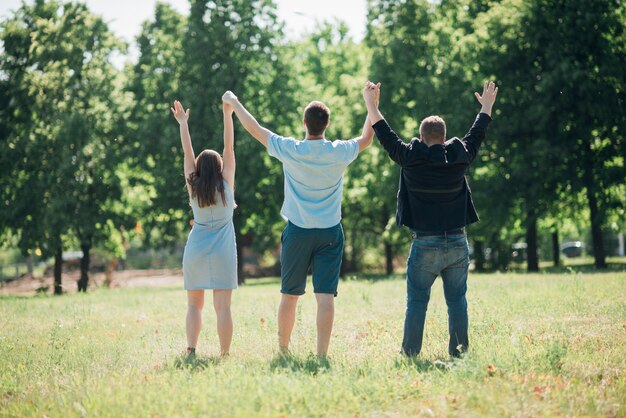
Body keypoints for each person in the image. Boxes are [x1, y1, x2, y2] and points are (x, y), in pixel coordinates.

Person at [221, 86, 377, 357]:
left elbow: (255, 129)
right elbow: (366, 139)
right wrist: (372, 105)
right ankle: (321, 354)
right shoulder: (339, 152)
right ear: (327, 124)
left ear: (304, 123)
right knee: (325, 297)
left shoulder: (290, 149)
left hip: (298, 232)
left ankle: (283, 350)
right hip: (330, 232)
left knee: (289, 295)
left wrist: (234, 103)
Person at [362, 80, 499, 357]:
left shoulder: (409, 157)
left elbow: (384, 133)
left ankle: (410, 354)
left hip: (424, 244)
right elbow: (477, 132)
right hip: (458, 242)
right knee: (457, 301)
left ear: (422, 137)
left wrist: (371, 105)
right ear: (445, 137)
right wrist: (486, 106)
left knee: (416, 302)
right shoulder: (461, 157)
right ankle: (459, 354)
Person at [170, 99, 238, 358]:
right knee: (223, 308)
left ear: (198, 168)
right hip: (222, 252)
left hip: (196, 251)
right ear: (220, 167)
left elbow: (187, 153)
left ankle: (191, 350)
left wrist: (183, 124)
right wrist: (227, 114)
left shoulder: (193, 186)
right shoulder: (227, 184)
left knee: (194, 306)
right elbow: (229, 146)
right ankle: (224, 354)